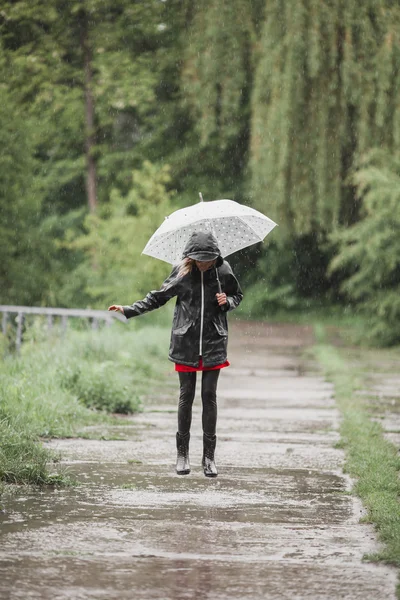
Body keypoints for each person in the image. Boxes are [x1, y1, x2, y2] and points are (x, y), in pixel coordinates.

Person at [108, 231, 243, 477]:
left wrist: (228, 302)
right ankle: (182, 455)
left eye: (209, 259)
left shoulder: (224, 272)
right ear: (191, 257)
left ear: (216, 256)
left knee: (209, 396)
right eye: (201, 259)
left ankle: (209, 458)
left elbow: (238, 295)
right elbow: (157, 298)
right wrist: (129, 309)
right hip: (186, 343)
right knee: (186, 396)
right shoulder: (181, 272)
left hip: (214, 342)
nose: (205, 263)